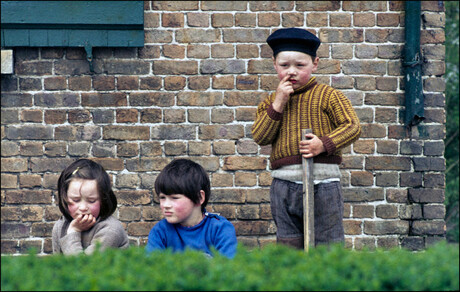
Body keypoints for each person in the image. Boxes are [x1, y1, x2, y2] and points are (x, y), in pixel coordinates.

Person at [252, 28, 361, 249]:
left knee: (327, 246)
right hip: (283, 185)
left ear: (315, 64)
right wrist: (279, 103)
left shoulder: (328, 95)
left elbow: (352, 126)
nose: (291, 71)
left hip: (323, 183)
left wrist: (323, 143)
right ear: (274, 64)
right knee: (288, 245)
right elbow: (261, 137)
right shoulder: (270, 101)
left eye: (300, 65)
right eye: (284, 66)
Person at [145, 159, 237, 258]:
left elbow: (229, 269)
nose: (166, 205)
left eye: (174, 198)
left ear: (199, 198)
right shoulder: (160, 231)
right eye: (162, 198)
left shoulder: (220, 229)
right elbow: (151, 268)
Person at [52, 158, 129, 255]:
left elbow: (84, 267)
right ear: (65, 197)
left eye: (91, 201)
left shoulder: (111, 230)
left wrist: (73, 232)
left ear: (103, 200)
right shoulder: (60, 227)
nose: (83, 207)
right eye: (76, 200)